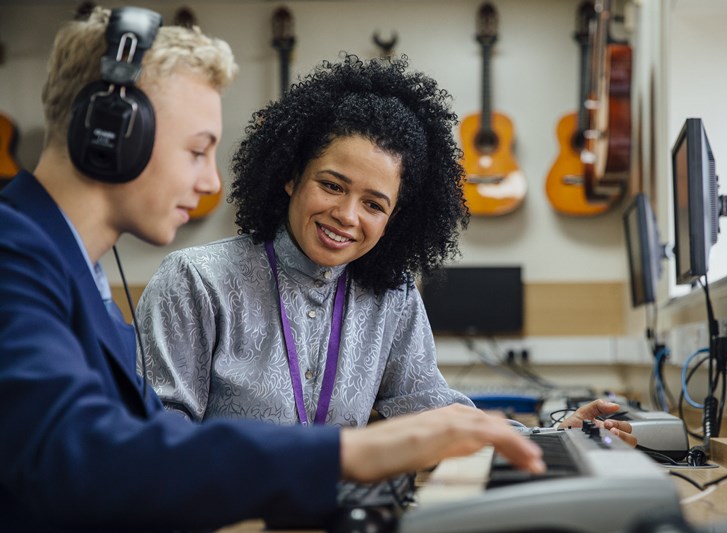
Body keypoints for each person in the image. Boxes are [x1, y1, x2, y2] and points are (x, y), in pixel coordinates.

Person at [0, 6, 547, 531]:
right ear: (112, 137)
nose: (212, 182)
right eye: (197, 151)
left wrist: (549, 434)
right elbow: (80, 456)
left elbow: (134, 446)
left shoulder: (72, 270)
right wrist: (349, 451)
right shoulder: (15, 257)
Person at [135, 54, 637, 449]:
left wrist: (554, 437)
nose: (348, 216)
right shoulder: (195, 281)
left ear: (395, 216)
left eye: (374, 203)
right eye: (332, 186)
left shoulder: (392, 296)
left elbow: (429, 409)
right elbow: (157, 437)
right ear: (290, 176)